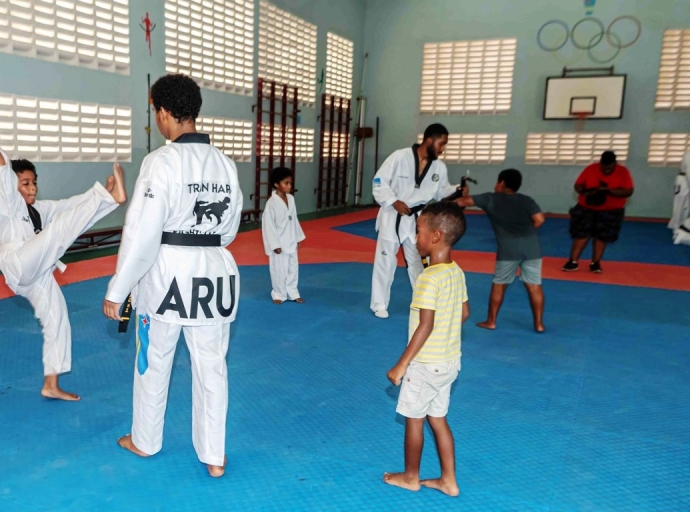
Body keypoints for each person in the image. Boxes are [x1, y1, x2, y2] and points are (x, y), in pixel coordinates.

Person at [102, 74, 242, 478]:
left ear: (164, 113)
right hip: (214, 272)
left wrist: (118, 288)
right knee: (212, 366)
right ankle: (214, 455)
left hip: (167, 275)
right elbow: (229, 228)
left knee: (153, 358)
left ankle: (145, 441)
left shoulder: (161, 161)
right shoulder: (225, 164)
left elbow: (142, 234)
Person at [0, 153, 125, 401]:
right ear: (11, 186)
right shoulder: (8, 203)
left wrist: (100, 193)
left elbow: (69, 204)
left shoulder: (38, 210)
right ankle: (113, 199)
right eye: (25, 183)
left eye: (34, 182)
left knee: (58, 318)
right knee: (59, 231)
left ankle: (51, 384)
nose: (32, 187)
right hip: (17, 263)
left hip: (38, 273)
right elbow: (4, 168)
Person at [384, 201, 469, 497]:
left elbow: (425, 325)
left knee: (414, 420)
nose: (415, 237)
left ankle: (410, 477)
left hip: (425, 364)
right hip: (449, 363)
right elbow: (464, 313)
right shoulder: (455, 271)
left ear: (435, 236)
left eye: (418, 231)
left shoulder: (427, 278)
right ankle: (449, 480)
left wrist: (402, 364)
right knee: (438, 419)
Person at [370, 123, 460, 319]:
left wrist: (457, 190)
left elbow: (441, 191)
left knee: (419, 263)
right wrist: (393, 201)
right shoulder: (399, 157)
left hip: (418, 220)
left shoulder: (438, 167)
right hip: (391, 216)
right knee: (385, 261)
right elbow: (378, 182)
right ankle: (379, 304)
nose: (442, 149)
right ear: (429, 140)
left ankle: (422, 303)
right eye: (441, 144)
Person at [455, 169, 545, 332]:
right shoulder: (526, 200)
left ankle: (491, 321)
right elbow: (539, 219)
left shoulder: (491, 199)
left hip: (508, 249)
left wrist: (460, 194)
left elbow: (461, 202)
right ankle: (538, 324)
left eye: (497, 181)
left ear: (502, 183)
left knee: (500, 284)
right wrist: (526, 232)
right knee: (534, 286)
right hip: (532, 248)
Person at [562, 151, 634, 273]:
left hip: (611, 210)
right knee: (581, 234)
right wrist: (585, 191)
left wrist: (607, 190)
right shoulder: (591, 169)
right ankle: (573, 261)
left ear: (614, 164)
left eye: (609, 167)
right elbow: (578, 185)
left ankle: (595, 263)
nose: (606, 170)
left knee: (602, 236)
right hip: (586, 208)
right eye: (603, 167)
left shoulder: (623, 172)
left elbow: (628, 191)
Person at [261, 167, 306, 304]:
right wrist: (274, 244)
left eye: (290, 183)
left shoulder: (291, 199)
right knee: (278, 269)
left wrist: (298, 237)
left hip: (291, 238)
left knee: (293, 268)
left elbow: (294, 219)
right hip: (279, 241)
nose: (289, 186)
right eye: (286, 183)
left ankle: (292, 292)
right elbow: (268, 225)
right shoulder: (271, 203)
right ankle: (279, 294)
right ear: (276, 184)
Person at [670, 149, 690, 245]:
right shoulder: (689, 154)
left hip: (686, 179)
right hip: (684, 180)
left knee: (687, 207)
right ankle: (677, 229)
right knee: (679, 206)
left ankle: (682, 228)